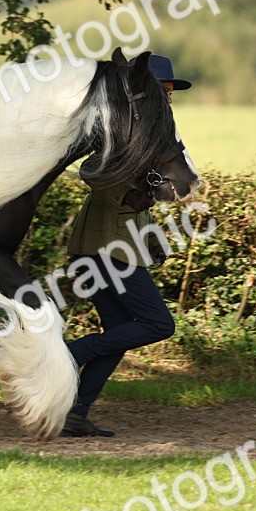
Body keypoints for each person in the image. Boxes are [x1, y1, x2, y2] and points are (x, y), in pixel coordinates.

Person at [61, 54, 192, 437]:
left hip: (113, 248)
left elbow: (143, 192)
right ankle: (74, 352)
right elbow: (93, 174)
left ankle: (75, 414)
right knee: (158, 324)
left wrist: (152, 238)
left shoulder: (146, 129)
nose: (168, 99)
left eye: (170, 93)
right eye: (164, 91)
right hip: (105, 249)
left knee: (118, 333)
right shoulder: (123, 128)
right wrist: (139, 196)